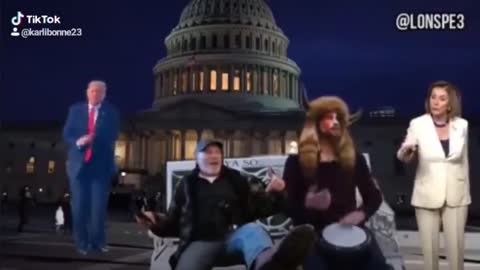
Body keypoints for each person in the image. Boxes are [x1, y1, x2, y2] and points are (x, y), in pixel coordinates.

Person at [137, 139, 315, 270]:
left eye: (217, 152)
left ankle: (268, 263)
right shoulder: (186, 186)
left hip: (232, 239)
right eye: (207, 152)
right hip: (199, 242)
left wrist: (277, 191)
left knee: (253, 231)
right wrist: (156, 222)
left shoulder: (235, 181)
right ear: (197, 158)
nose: (213, 156)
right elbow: (173, 222)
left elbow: (260, 208)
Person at [281, 96, 390, 270]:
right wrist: (309, 204)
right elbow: (287, 206)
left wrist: (361, 214)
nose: (336, 122)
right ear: (316, 122)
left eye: (339, 118)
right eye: (329, 118)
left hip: (351, 230)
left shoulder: (355, 159)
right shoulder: (296, 162)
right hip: (312, 233)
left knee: (379, 266)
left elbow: (373, 196)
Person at [397, 81, 469, 270]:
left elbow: (464, 162)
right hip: (426, 195)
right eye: (433, 97)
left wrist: (465, 193)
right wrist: (407, 151)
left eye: (442, 98)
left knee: (456, 255)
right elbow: (405, 153)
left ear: (450, 104)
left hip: (456, 196)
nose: (436, 102)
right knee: (429, 255)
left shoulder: (462, 125)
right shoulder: (418, 124)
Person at [63, 80, 120, 254]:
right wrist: (79, 141)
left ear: (104, 94)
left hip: (100, 166)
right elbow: (67, 133)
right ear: (87, 92)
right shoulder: (75, 110)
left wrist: (96, 137)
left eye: (100, 91)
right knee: (79, 207)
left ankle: (98, 242)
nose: (96, 94)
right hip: (79, 166)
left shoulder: (110, 112)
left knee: (98, 208)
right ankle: (82, 243)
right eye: (93, 91)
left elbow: (114, 134)